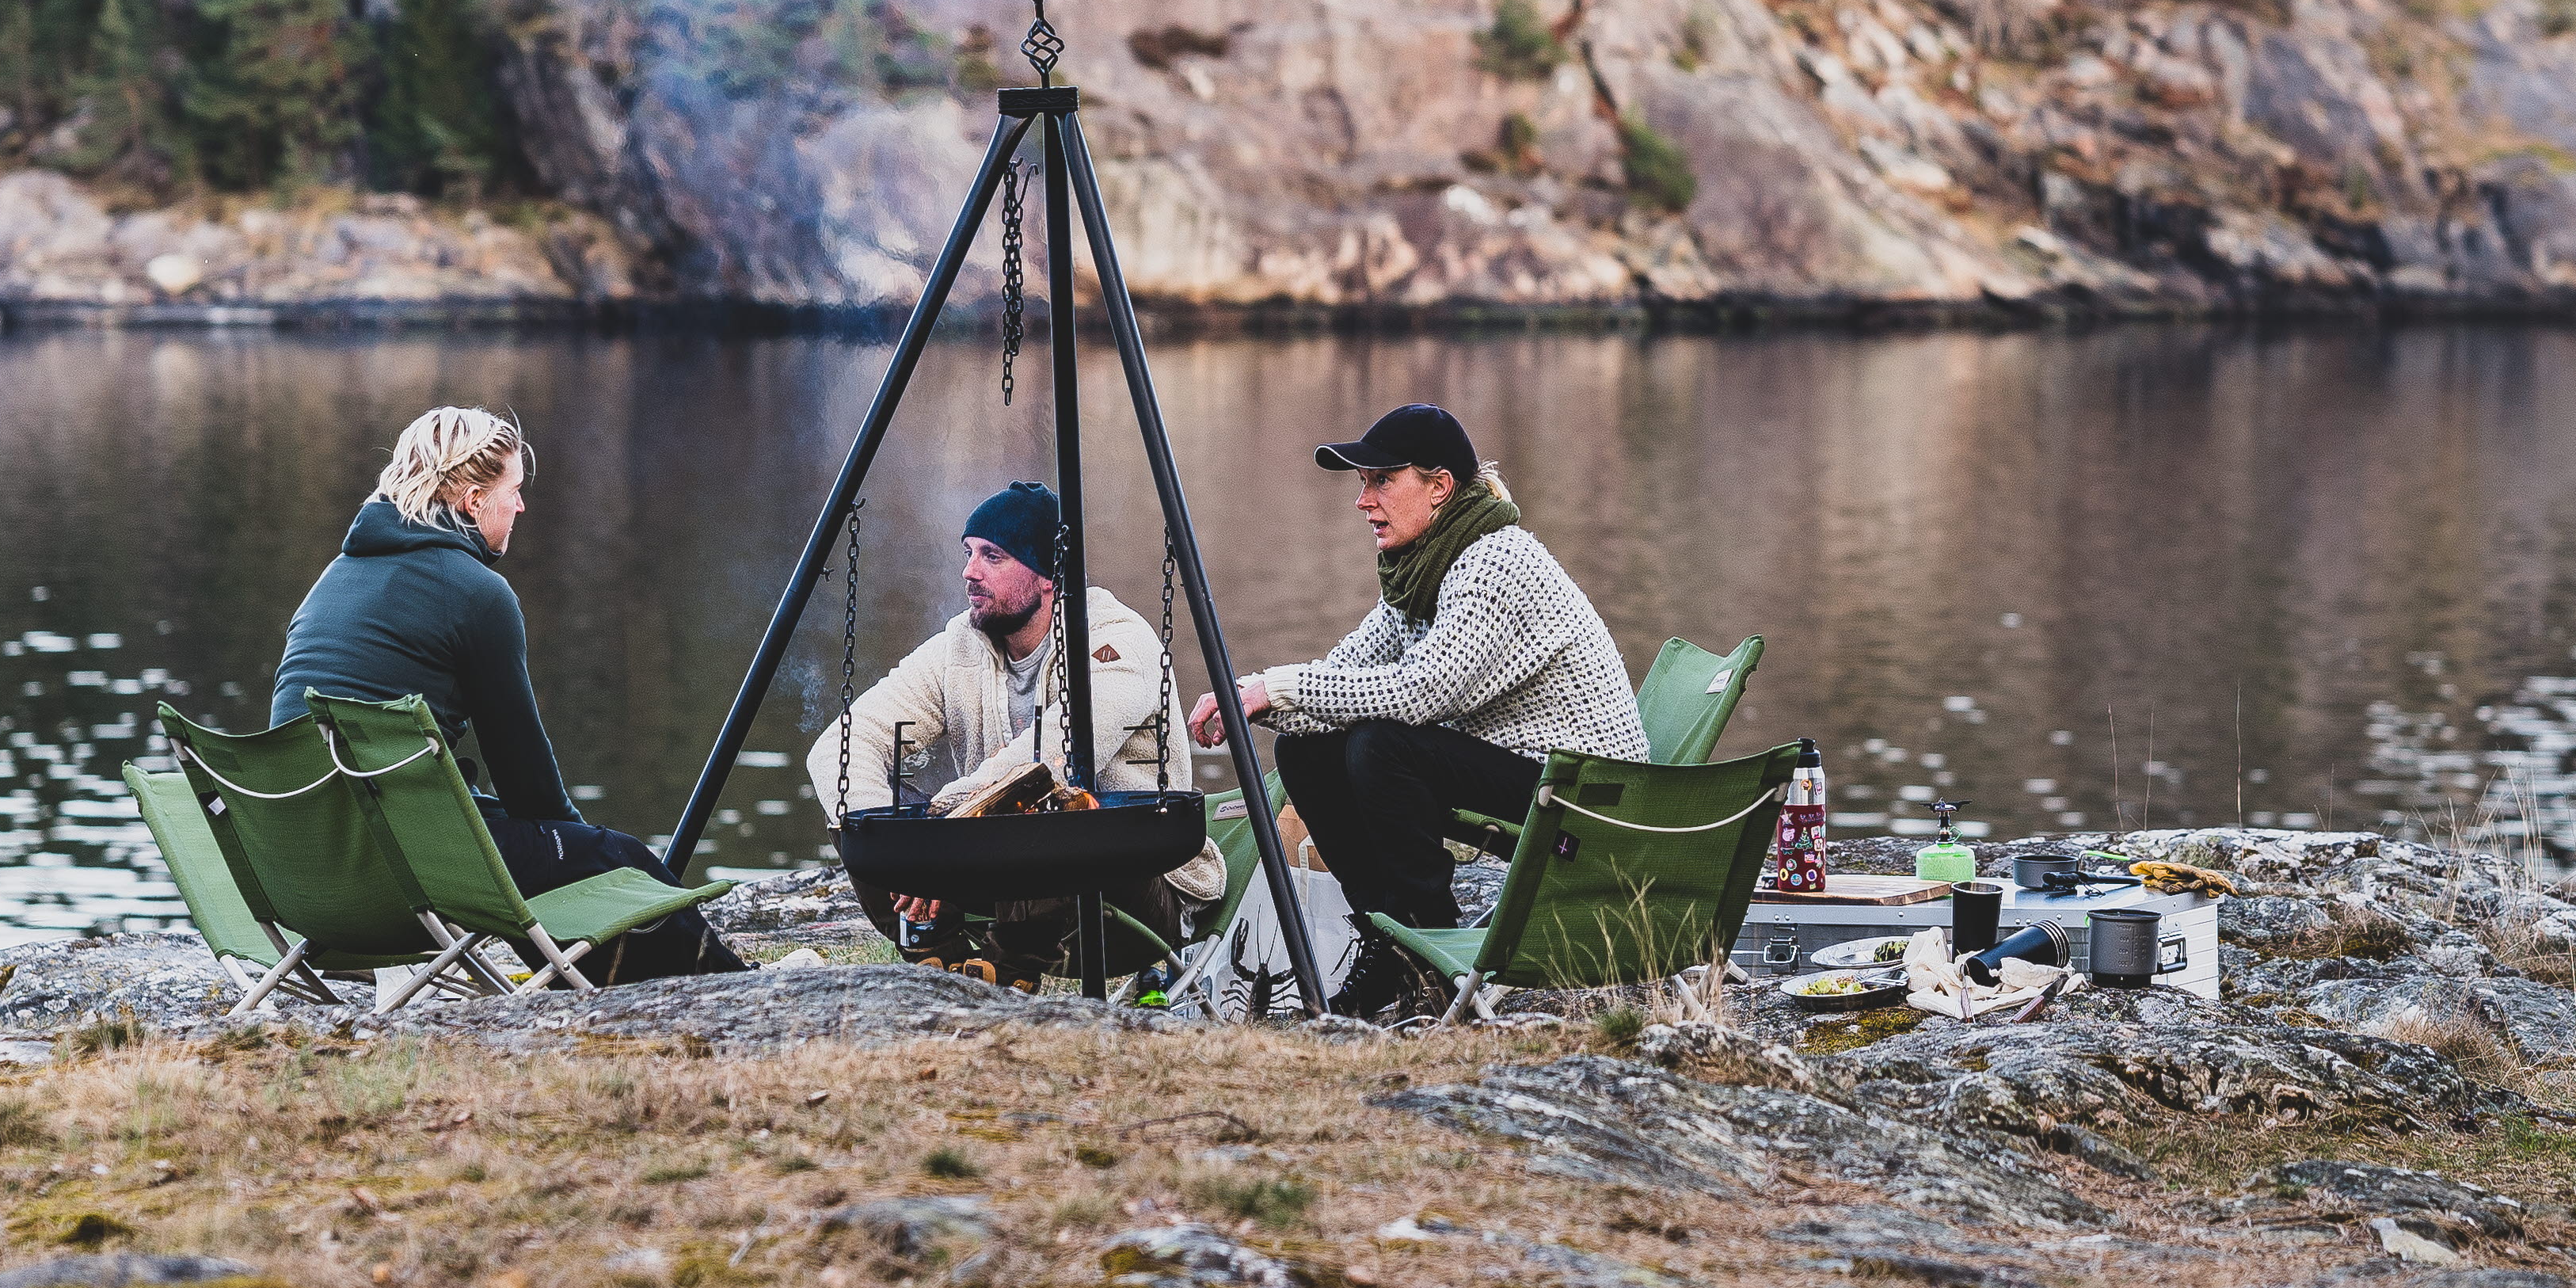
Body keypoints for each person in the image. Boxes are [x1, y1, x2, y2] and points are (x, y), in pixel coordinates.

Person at [1190, 403, 1646, 1019]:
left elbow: (1421, 692)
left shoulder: (1492, 563)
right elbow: (1344, 674)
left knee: (1382, 745)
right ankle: (1392, 943)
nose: (1363, 501)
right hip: (1529, 773)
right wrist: (1247, 697)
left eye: (1382, 480)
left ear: (1439, 487)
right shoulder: (1420, 573)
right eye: (1362, 483)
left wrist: (1276, 688)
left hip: (1587, 790)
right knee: (1306, 750)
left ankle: (1428, 951)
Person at [269, 407, 740, 982]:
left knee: (511, 841)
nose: (520, 507)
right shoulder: (475, 592)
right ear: (473, 502)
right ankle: (731, 987)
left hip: (306, 871)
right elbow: (528, 785)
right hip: (398, 871)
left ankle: (592, 978)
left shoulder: (332, 579)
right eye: (513, 491)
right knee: (616, 858)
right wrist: (579, 847)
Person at [803, 482, 1224, 987]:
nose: (970, 571)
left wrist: (935, 840)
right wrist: (899, 856)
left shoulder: (1120, 641)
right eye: (968, 553)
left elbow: (1048, 760)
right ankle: (943, 963)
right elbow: (839, 746)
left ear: (1048, 576)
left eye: (992, 556)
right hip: (994, 868)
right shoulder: (962, 644)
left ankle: (1010, 974)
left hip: (1136, 888)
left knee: (1052, 802)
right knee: (857, 808)